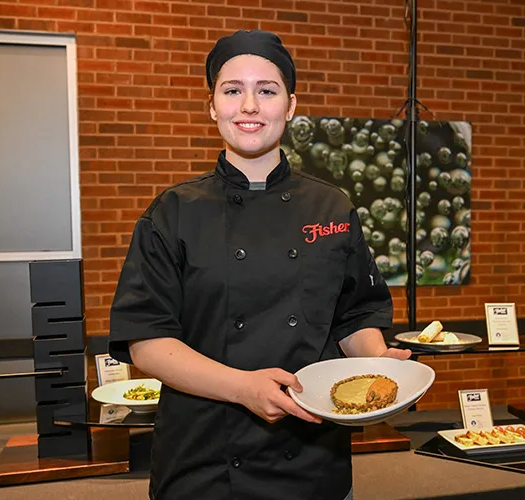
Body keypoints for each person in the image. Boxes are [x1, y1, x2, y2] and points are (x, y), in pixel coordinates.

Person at [108, 29, 410, 500]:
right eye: (232, 91)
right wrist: (243, 388)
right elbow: (146, 341)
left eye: (267, 91)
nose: (249, 106)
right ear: (212, 106)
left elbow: (355, 314)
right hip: (204, 460)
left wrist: (378, 364)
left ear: (290, 106)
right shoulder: (172, 212)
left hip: (313, 458)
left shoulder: (332, 207)